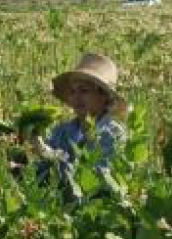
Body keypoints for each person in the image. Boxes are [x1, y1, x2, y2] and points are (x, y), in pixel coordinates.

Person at [35, 53, 126, 201]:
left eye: (84, 91)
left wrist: (50, 155)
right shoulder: (61, 131)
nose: (76, 98)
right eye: (72, 92)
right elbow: (40, 174)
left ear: (104, 96)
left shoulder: (113, 134)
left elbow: (98, 179)